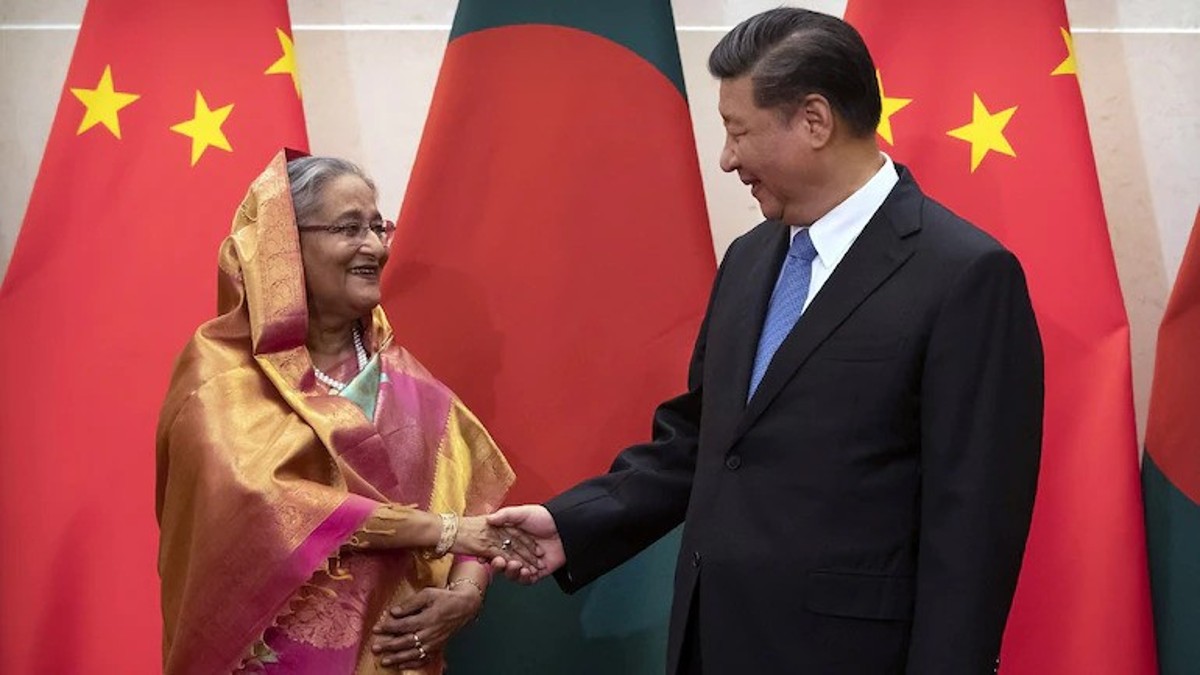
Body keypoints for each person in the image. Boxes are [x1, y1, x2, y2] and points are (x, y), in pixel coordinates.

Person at [474, 8, 1044, 674]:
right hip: (711, 644)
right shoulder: (749, 258)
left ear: (814, 121)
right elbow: (704, 441)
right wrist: (573, 524)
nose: (726, 158)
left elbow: (971, 527)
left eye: (736, 131)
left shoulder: (964, 274)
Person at [156, 151, 541, 674]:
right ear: (284, 247)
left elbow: (473, 509)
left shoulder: (407, 381)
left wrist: (466, 596)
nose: (376, 247)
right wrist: (442, 532)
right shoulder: (220, 370)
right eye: (349, 228)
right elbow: (264, 501)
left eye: (378, 227)